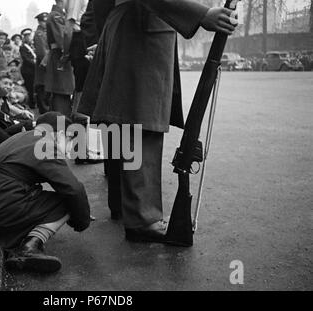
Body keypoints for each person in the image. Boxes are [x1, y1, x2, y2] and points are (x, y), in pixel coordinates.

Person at [78, 0, 237, 242]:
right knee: (140, 123)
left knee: (128, 123)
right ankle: (142, 218)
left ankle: (130, 208)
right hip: (141, 28)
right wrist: (202, 14)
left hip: (135, 26)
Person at [0, 112, 91, 273]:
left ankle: (16, 237)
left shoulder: (21, 137)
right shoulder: (46, 144)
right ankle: (29, 248)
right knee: (66, 200)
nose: (69, 149)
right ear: (61, 134)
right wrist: (81, 220)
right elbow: (74, 190)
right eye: (70, 141)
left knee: (53, 195)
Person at [46, 0, 76, 118]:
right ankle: (61, 123)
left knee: (62, 91)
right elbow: (62, 38)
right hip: (60, 57)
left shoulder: (57, 15)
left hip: (59, 56)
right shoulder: (56, 16)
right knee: (61, 91)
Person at [33, 12, 51, 114]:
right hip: (43, 66)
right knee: (43, 89)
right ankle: (44, 112)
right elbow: (42, 53)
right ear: (39, 22)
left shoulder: (45, 32)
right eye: (44, 21)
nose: (46, 23)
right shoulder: (39, 34)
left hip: (45, 66)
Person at [19, 28, 37, 110]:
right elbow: (26, 59)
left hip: (33, 70)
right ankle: (31, 103)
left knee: (34, 86)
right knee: (29, 87)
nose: (29, 37)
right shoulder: (23, 47)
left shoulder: (32, 46)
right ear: (24, 37)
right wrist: (36, 65)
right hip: (28, 70)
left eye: (29, 35)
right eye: (27, 36)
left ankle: (34, 102)